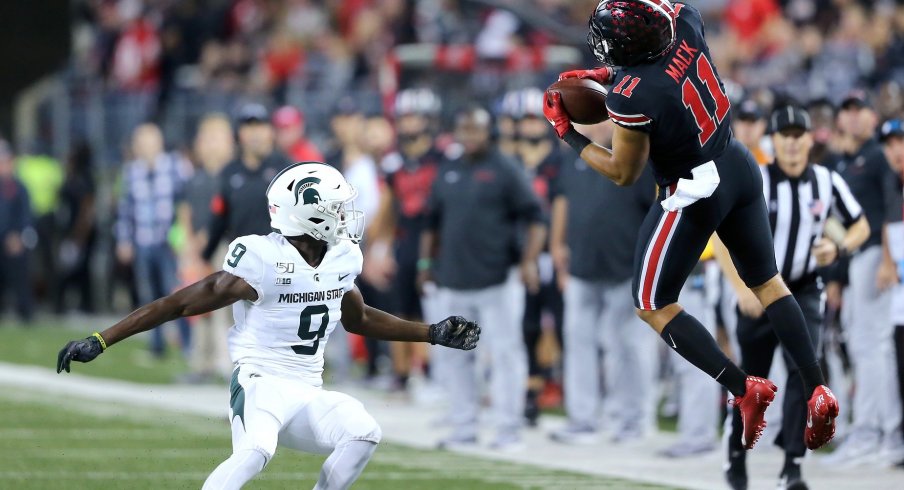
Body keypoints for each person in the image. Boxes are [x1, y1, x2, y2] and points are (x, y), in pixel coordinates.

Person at [56, 162, 480, 490]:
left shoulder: (342, 256)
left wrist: (431, 333)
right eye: (335, 206)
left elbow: (360, 318)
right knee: (257, 450)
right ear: (308, 213)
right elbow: (180, 303)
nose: (345, 214)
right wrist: (101, 338)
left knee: (364, 431)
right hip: (259, 382)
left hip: (307, 388)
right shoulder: (261, 258)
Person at [542, 0, 838, 451]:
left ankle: (744, 388)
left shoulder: (632, 96)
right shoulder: (686, 22)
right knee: (769, 283)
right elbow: (659, 48)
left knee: (650, 303)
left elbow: (624, 172)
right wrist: (613, 76)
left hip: (694, 187)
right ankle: (817, 386)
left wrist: (568, 133)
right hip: (736, 160)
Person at [717, 106, 869, 490]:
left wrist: (838, 248)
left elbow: (860, 225)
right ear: (774, 140)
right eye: (785, 134)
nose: (792, 141)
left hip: (802, 289)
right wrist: (739, 289)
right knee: (750, 383)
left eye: (799, 134)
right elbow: (720, 233)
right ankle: (735, 459)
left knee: (806, 374)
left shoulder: (826, 180)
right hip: (759, 290)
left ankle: (793, 466)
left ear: (808, 139)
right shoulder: (757, 179)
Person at [420, 105, 545, 450]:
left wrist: (528, 261)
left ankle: (508, 429)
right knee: (456, 356)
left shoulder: (505, 168)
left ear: (487, 131)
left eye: (476, 129)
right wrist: (424, 266)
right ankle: (464, 426)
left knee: (506, 354)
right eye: (464, 129)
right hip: (454, 280)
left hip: (498, 278)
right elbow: (431, 223)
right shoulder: (449, 169)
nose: (470, 136)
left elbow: (536, 217)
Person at [548, 121, 658, 444]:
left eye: (601, 118)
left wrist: (648, 264)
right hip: (582, 267)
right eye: (588, 119)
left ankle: (634, 420)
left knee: (629, 347)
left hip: (626, 268)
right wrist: (557, 246)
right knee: (578, 342)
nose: (595, 126)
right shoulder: (573, 155)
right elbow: (563, 201)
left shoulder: (636, 153)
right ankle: (583, 419)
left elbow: (655, 209)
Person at [822, 91, 903, 465]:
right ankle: (875, 431)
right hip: (856, 260)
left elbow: (888, 210)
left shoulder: (875, 156)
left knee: (873, 345)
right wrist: (838, 276)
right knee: (864, 345)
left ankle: (881, 432)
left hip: (875, 254)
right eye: (847, 111)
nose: (853, 118)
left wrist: (888, 258)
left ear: (871, 117)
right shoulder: (847, 162)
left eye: (860, 111)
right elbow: (839, 223)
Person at [369, 88, 444, 392]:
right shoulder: (393, 163)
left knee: (432, 309)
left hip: (437, 239)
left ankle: (428, 371)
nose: (410, 124)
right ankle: (401, 374)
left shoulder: (443, 157)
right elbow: (387, 210)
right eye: (405, 118)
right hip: (406, 238)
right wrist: (379, 247)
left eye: (415, 117)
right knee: (400, 308)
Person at [509, 87, 565, 426]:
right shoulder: (509, 163)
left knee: (559, 323)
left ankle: (553, 381)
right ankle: (531, 387)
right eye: (524, 120)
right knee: (525, 325)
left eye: (534, 119)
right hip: (520, 256)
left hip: (552, 254)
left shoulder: (559, 161)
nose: (530, 127)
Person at [115, 123, 191, 358]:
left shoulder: (176, 166)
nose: (146, 147)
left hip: (169, 242)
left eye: (150, 142)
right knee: (149, 296)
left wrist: (184, 237)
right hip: (143, 240)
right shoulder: (130, 171)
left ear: (159, 143)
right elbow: (124, 209)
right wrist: (124, 240)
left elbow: (186, 204)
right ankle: (157, 345)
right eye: (142, 143)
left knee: (176, 293)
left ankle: (187, 344)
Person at [178, 113, 235, 383]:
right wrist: (189, 242)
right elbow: (185, 212)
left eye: (216, 138)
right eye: (205, 138)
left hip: (223, 246)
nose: (209, 145)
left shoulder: (231, 175)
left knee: (225, 306)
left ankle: (226, 361)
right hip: (198, 249)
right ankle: (200, 361)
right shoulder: (195, 178)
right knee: (198, 305)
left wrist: (205, 238)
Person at [202, 103, 290, 263]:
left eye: (260, 126)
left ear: (271, 131)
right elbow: (220, 218)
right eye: (249, 127)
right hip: (243, 262)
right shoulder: (229, 172)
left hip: (280, 260)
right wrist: (206, 256)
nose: (255, 133)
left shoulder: (286, 169)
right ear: (239, 133)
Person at [879, 118, 904, 465]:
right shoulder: (892, 185)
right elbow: (889, 225)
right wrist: (886, 258)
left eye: (900, 142)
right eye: (890, 145)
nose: (896, 150)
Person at [54, 142, 97, 314]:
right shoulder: (71, 175)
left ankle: (85, 304)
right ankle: (67, 304)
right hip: (70, 229)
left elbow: (86, 208)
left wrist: (79, 234)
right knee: (69, 267)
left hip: (80, 231)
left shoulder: (85, 178)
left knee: (79, 269)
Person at [0, 139, 34, 322]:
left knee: (19, 277)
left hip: (13, 238)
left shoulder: (17, 186)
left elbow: (25, 214)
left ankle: (25, 312)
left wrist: (19, 235)